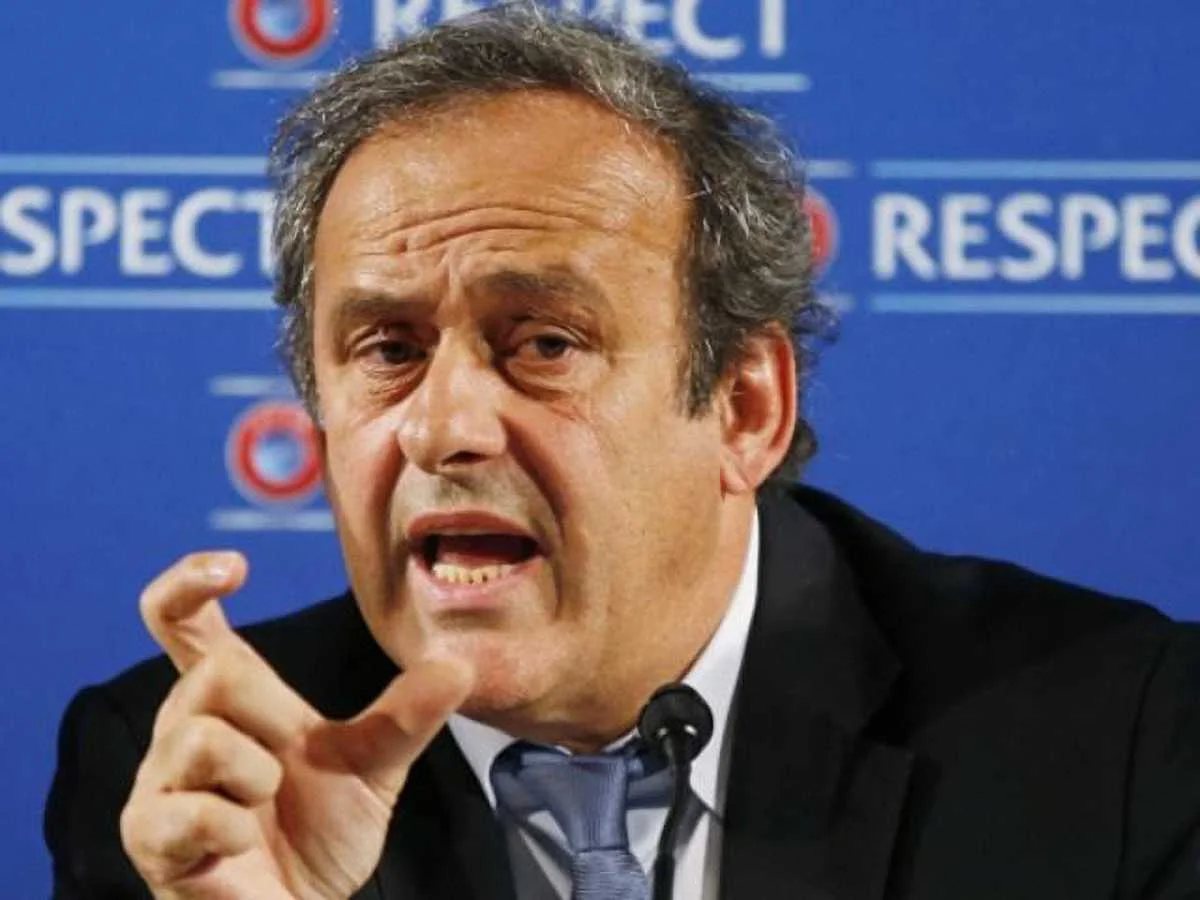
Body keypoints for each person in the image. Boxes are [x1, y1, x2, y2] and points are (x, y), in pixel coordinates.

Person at [45, 5, 1200, 899]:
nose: (444, 428)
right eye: (388, 349)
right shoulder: (196, 779)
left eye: (545, 343)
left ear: (744, 408)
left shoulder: (1113, 739)